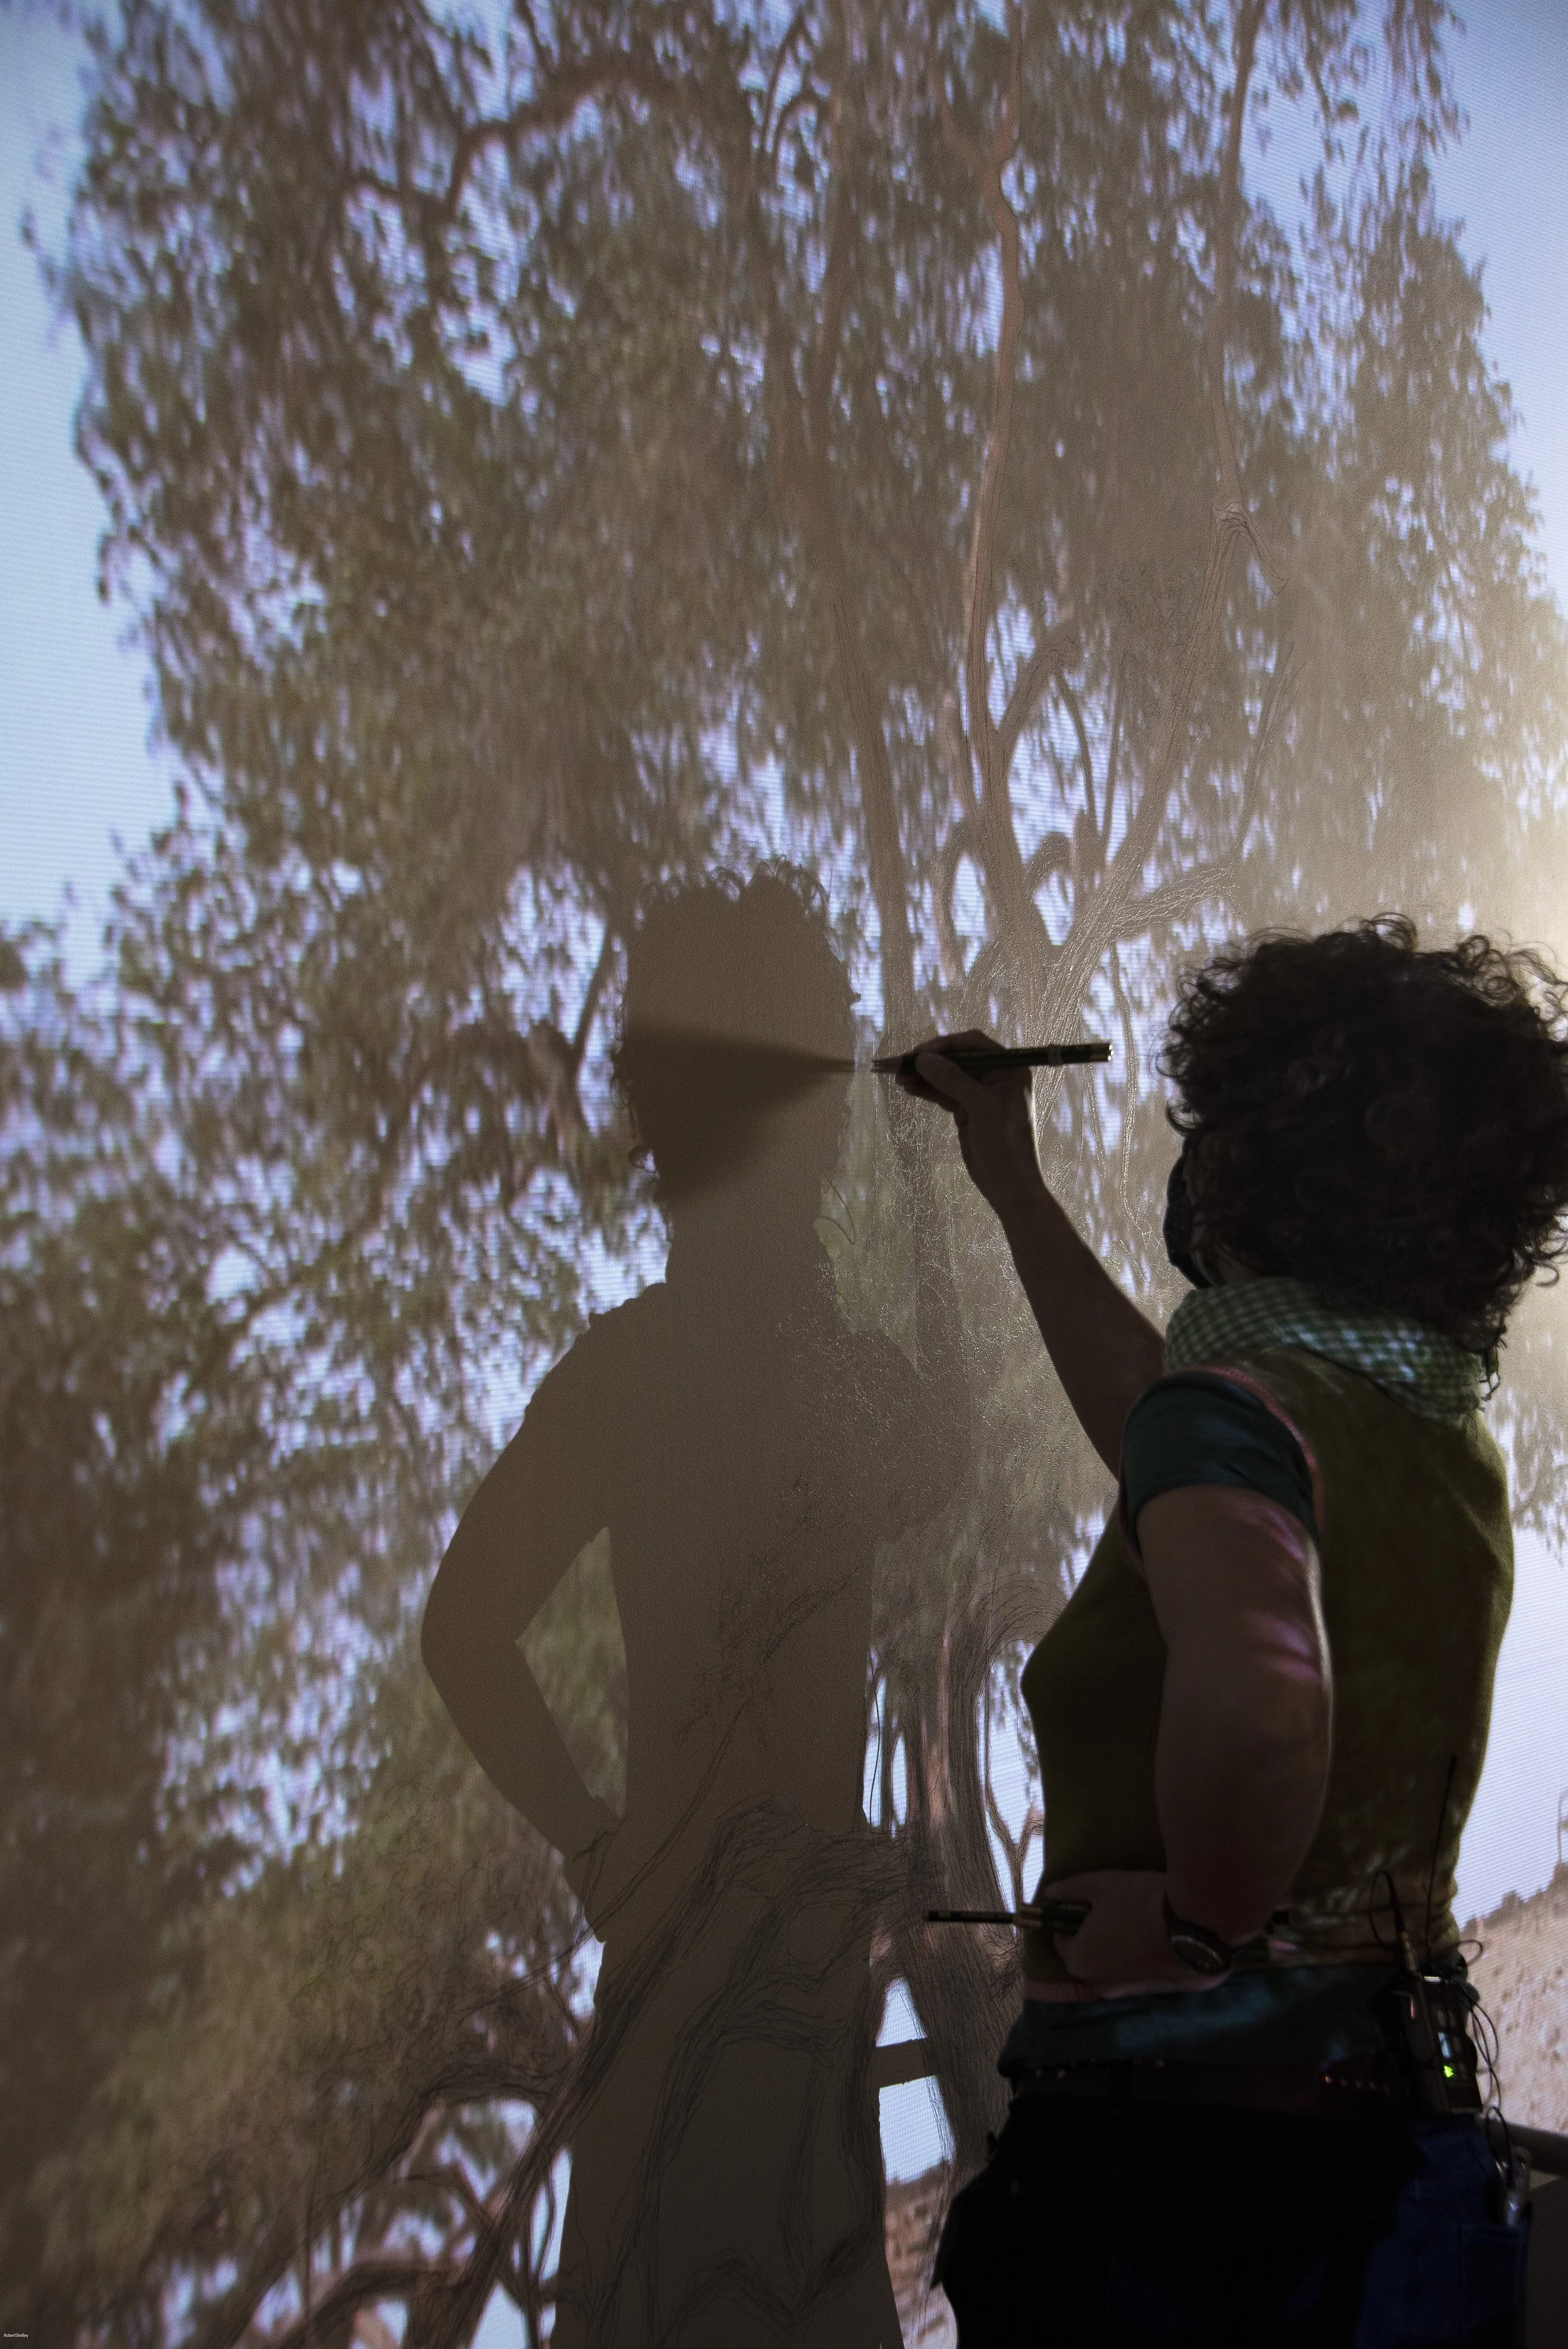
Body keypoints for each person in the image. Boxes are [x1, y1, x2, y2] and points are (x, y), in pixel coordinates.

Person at [901, 917, 1568, 2348]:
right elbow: (1170, 1443)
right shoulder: (1427, 1438)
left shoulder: (1233, 1426)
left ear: (1261, 1162)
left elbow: (1265, 1700)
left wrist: (1197, 1921)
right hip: (1401, 2171)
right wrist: (1011, 1185)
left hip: (1193, 2211)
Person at [420, 866, 965, 2348]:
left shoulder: (636, 1378)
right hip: (731, 2011)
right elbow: (954, 1440)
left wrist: (602, 1853)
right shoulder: (784, 1385)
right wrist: (936, 1181)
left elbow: (459, 1632)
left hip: (722, 2001)